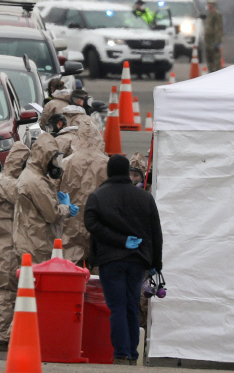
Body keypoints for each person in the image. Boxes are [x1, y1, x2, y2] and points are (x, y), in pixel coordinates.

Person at [84, 154, 163, 365]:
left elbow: (91, 224)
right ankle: (132, 355)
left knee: (117, 307)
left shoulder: (98, 196)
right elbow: (156, 232)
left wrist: (119, 240)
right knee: (131, 306)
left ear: (109, 172)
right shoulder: (145, 197)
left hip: (111, 260)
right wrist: (156, 263)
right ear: (127, 172)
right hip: (138, 260)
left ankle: (121, 354)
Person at [0, 142, 30, 352]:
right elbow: (25, 198)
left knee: (11, 290)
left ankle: (6, 332)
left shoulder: (6, 181)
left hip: (7, 244)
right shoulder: (8, 183)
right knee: (7, 290)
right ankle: (3, 334)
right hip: (7, 245)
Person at [13, 134, 78, 264]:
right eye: (54, 159)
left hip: (31, 240)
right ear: (45, 157)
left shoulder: (33, 175)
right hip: (37, 244)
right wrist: (66, 208)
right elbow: (52, 215)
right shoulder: (36, 182)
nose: (55, 164)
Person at [60, 121, 108, 266]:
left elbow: (52, 190)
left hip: (71, 220)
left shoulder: (65, 163)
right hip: (99, 220)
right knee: (99, 265)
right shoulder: (107, 163)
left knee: (70, 265)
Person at [204, 0, 223, 72]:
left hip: (213, 40)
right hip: (208, 40)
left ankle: (216, 73)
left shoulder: (216, 15)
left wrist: (217, 41)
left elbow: (218, 28)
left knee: (215, 59)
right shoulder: (209, 14)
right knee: (209, 59)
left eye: (209, 5)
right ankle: (210, 72)